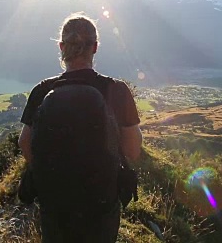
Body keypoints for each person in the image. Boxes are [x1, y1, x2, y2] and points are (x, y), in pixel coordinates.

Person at [18, 12, 143, 243]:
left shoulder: (42, 91)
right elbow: (133, 151)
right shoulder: (117, 90)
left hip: (55, 202)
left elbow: (25, 143)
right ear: (95, 47)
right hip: (101, 203)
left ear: (61, 46)